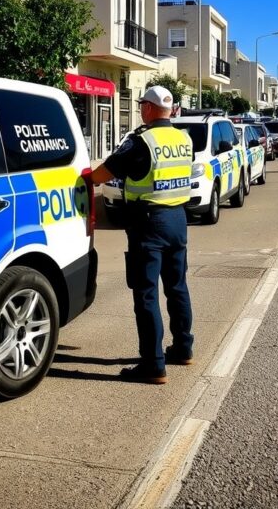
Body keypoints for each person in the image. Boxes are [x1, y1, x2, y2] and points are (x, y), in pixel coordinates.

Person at [91, 85, 194, 384]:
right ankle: (184, 349)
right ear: (171, 110)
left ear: (148, 108)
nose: (140, 110)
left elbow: (100, 176)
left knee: (146, 294)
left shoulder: (141, 141)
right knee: (177, 288)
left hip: (148, 223)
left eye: (141, 106)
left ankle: (153, 365)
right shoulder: (182, 138)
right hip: (178, 220)